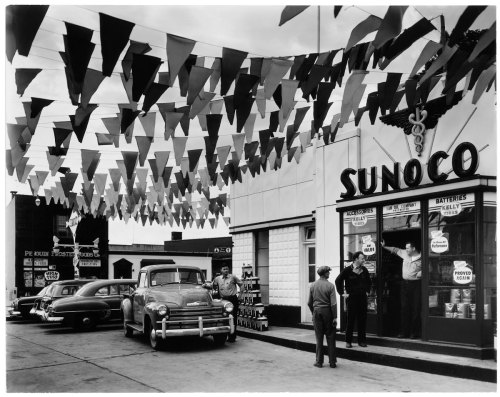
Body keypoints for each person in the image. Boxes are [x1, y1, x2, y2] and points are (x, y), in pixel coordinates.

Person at [381, 240, 422, 339]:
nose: (406, 249)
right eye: (406, 248)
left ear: (413, 248)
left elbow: (430, 268)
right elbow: (395, 250)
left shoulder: (422, 258)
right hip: (405, 285)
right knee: (404, 309)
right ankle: (404, 332)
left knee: (416, 309)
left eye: (408, 248)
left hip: (416, 285)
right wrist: (384, 246)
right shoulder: (404, 253)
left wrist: (422, 272)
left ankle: (414, 333)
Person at [335, 251, 371, 348]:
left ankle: (361, 341)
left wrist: (367, 291)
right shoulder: (347, 270)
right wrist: (342, 293)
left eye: (363, 258)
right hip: (352, 299)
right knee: (350, 320)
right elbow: (338, 280)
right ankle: (348, 341)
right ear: (356, 259)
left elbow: (369, 282)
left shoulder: (364, 270)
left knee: (362, 320)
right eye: (362, 258)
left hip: (362, 298)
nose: (363, 260)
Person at [307, 266, 337, 369]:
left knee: (319, 338)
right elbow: (333, 304)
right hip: (328, 312)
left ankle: (319, 362)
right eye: (328, 272)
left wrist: (313, 313)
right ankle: (332, 362)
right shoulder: (330, 286)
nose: (329, 273)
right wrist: (335, 317)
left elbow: (309, 303)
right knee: (331, 337)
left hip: (317, 312)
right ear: (324, 273)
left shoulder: (313, 285)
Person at [204, 265, 242, 342]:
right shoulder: (217, 279)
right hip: (223, 300)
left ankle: (232, 337)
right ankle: (225, 334)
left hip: (232, 299)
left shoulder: (233, 277)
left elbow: (241, 285)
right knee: (224, 317)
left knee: (233, 318)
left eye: (227, 269)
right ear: (221, 270)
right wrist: (204, 286)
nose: (226, 270)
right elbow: (212, 286)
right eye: (224, 269)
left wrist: (240, 295)